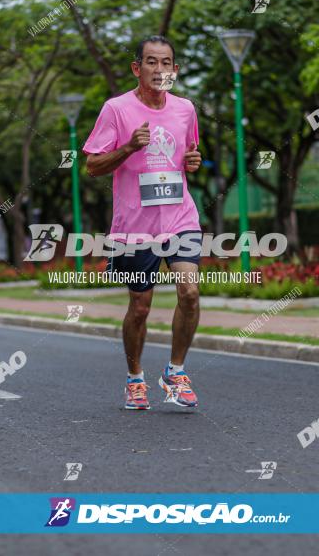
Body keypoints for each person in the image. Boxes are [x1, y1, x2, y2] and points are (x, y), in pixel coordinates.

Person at [83, 35, 203, 410]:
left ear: (175, 70)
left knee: (190, 293)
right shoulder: (116, 109)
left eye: (166, 62)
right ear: (137, 68)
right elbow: (92, 166)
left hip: (180, 217)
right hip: (135, 227)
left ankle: (175, 371)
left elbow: (189, 154)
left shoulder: (186, 109)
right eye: (151, 62)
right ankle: (135, 378)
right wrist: (128, 148)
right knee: (140, 307)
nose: (159, 69)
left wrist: (192, 164)